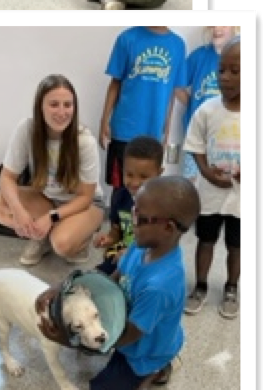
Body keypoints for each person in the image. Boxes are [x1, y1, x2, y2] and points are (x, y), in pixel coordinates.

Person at [36, 175, 201, 390]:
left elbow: (126, 336)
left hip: (142, 350)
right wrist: (64, 287)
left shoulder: (160, 285)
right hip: (133, 328)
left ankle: (154, 371)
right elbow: (109, 281)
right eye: (135, 209)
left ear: (168, 227)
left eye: (140, 216)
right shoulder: (142, 243)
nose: (131, 219)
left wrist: (67, 340)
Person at [0, 74, 105, 266]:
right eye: (54, 104)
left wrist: (51, 217)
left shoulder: (84, 141)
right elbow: (7, 177)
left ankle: (80, 238)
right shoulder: (26, 129)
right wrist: (18, 211)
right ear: (40, 106)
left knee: (62, 244)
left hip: (84, 204)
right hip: (47, 198)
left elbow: (85, 197)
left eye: (68, 105)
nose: (62, 111)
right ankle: (42, 235)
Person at [182, 36, 240, 319]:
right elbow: (195, 145)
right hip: (210, 192)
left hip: (241, 198)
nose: (225, 78)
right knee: (205, 241)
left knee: (236, 245)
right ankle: (200, 286)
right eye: (221, 70)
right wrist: (206, 171)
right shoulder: (206, 109)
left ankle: (231, 288)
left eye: (236, 70)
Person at [98, 26, 187, 210]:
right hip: (124, 129)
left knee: (149, 190)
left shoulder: (178, 45)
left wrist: (167, 131)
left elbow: (172, 92)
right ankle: (117, 230)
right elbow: (115, 83)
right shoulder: (127, 38)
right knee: (121, 188)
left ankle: (142, 232)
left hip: (153, 133)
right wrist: (104, 121)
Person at [174, 27, 239, 182]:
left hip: (228, 135)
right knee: (192, 181)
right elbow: (178, 84)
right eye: (212, 24)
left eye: (223, 24)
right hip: (199, 135)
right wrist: (192, 105)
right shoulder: (199, 56)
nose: (217, 28)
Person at [94, 135, 164, 276]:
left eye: (143, 176)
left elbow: (163, 247)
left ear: (159, 174)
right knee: (94, 279)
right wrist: (109, 239)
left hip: (150, 261)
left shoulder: (163, 206)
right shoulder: (120, 197)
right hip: (121, 255)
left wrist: (132, 254)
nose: (135, 182)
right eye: (129, 174)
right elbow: (116, 232)